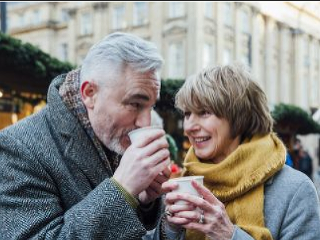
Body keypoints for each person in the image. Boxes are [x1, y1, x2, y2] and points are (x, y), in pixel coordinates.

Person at [0, 32, 171, 239]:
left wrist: (145, 202)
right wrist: (122, 189)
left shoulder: (112, 135)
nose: (145, 122)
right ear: (89, 93)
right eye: (135, 104)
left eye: (150, 106)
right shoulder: (17, 146)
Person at [153, 64, 320, 240]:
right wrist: (170, 228)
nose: (189, 127)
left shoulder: (296, 190)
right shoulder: (184, 181)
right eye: (187, 114)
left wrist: (229, 235)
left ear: (240, 118)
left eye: (204, 112)